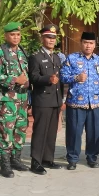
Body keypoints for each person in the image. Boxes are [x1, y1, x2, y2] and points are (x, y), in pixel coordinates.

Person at [60, 32, 99, 170]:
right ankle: (72, 159)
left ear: (95, 45)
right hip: (76, 102)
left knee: (94, 132)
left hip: (95, 102)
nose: (88, 45)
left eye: (91, 43)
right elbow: (62, 76)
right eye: (85, 42)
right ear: (81, 43)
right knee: (74, 132)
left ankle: (92, 158)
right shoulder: (72, 58)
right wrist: (76, 78)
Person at [0, 22, 31, 178]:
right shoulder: (0, 52)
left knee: (20, 129)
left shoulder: (22, 52)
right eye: (12, 34)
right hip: (8, 99)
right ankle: (5, 164)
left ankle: (16, 159)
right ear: (6, 36)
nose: (16, 37)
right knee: (5, 130)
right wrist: (15, 80)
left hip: (22, 98)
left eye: (18, 35)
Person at [28, 24, 64, 175]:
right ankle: (35, 161)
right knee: (40, 131)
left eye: (53, 38)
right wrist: (48, 79)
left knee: (51, 131)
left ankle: (47, 158)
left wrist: (61, 99)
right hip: (42, 99)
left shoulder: (56, 57)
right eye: (48, 37)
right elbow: (33, 77)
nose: (51, 40)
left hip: (55, 100)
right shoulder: (36, 57)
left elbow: (60, 80)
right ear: (42, 38)